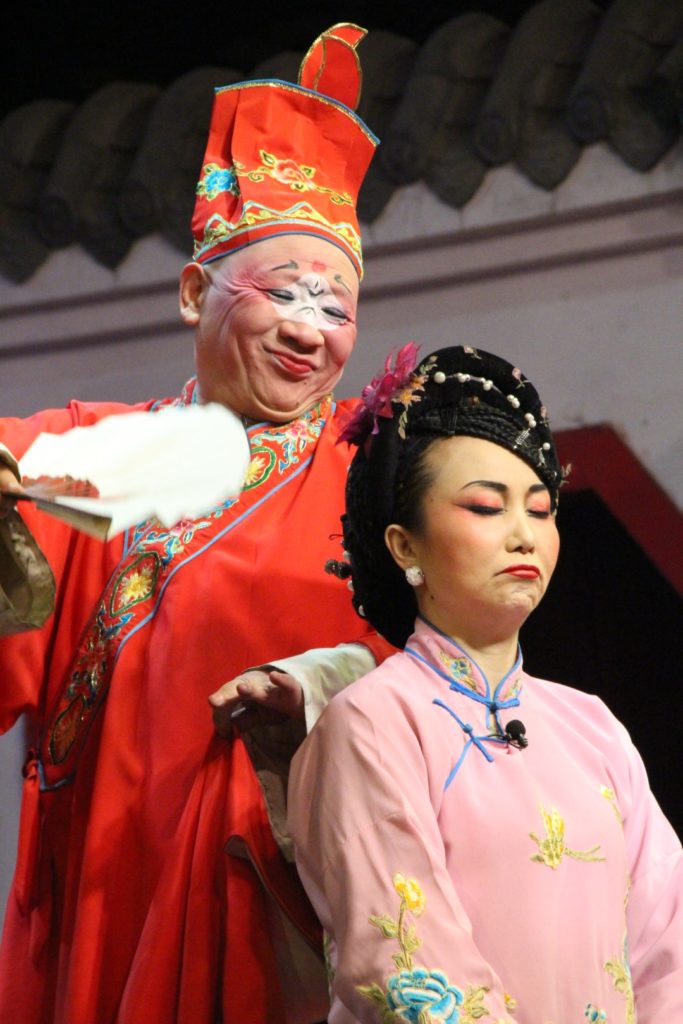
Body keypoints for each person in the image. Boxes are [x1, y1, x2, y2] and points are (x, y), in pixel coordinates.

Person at [0, 25, 395, 1024]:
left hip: (286, 915)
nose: (311, 329)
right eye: (283, 293)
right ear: (193, 293)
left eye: (337, 305)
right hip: (105, 895)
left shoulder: (382, 478)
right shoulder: (91, 452)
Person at [288, 344, 683, 1023]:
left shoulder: (590, 725)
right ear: (403, 546)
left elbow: (664, 950)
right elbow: (402, 962)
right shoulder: (372, 723)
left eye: (538, 508)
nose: (524, 536)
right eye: (484, 507)